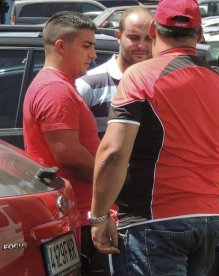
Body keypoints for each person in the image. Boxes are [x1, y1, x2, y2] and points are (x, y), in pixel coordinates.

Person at [89, 0, 219, 275]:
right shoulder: (218, 82)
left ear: (154, 29)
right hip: (208, 218)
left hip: (154, 221)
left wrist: (99, 215)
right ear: (200, 35)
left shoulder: (140, 75)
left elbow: (112, 154)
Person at [22, 11, 110, 275]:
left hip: (79, 214)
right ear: (61, 45)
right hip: (80, 216)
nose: (93, 54)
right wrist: (119, 182)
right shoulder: (55, 89)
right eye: (87, 45)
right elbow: (70, 158)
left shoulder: (60, 86)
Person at [76, 7, 153, 137]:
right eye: (134, 38)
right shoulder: (87, 85)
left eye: (148, 38)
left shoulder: (160, 83)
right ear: (118, 36)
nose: (142, 45)